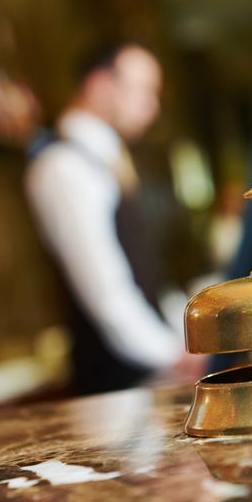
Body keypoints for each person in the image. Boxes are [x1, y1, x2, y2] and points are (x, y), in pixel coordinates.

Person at [24, 43, 202, 395]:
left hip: (145, 374)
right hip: (115, 385)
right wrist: (173, 356)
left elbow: (147, 276)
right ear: (100, 86)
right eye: (143, 92)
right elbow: (106, 295)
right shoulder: (64, 165)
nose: (152, 106)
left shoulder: (107, 160)